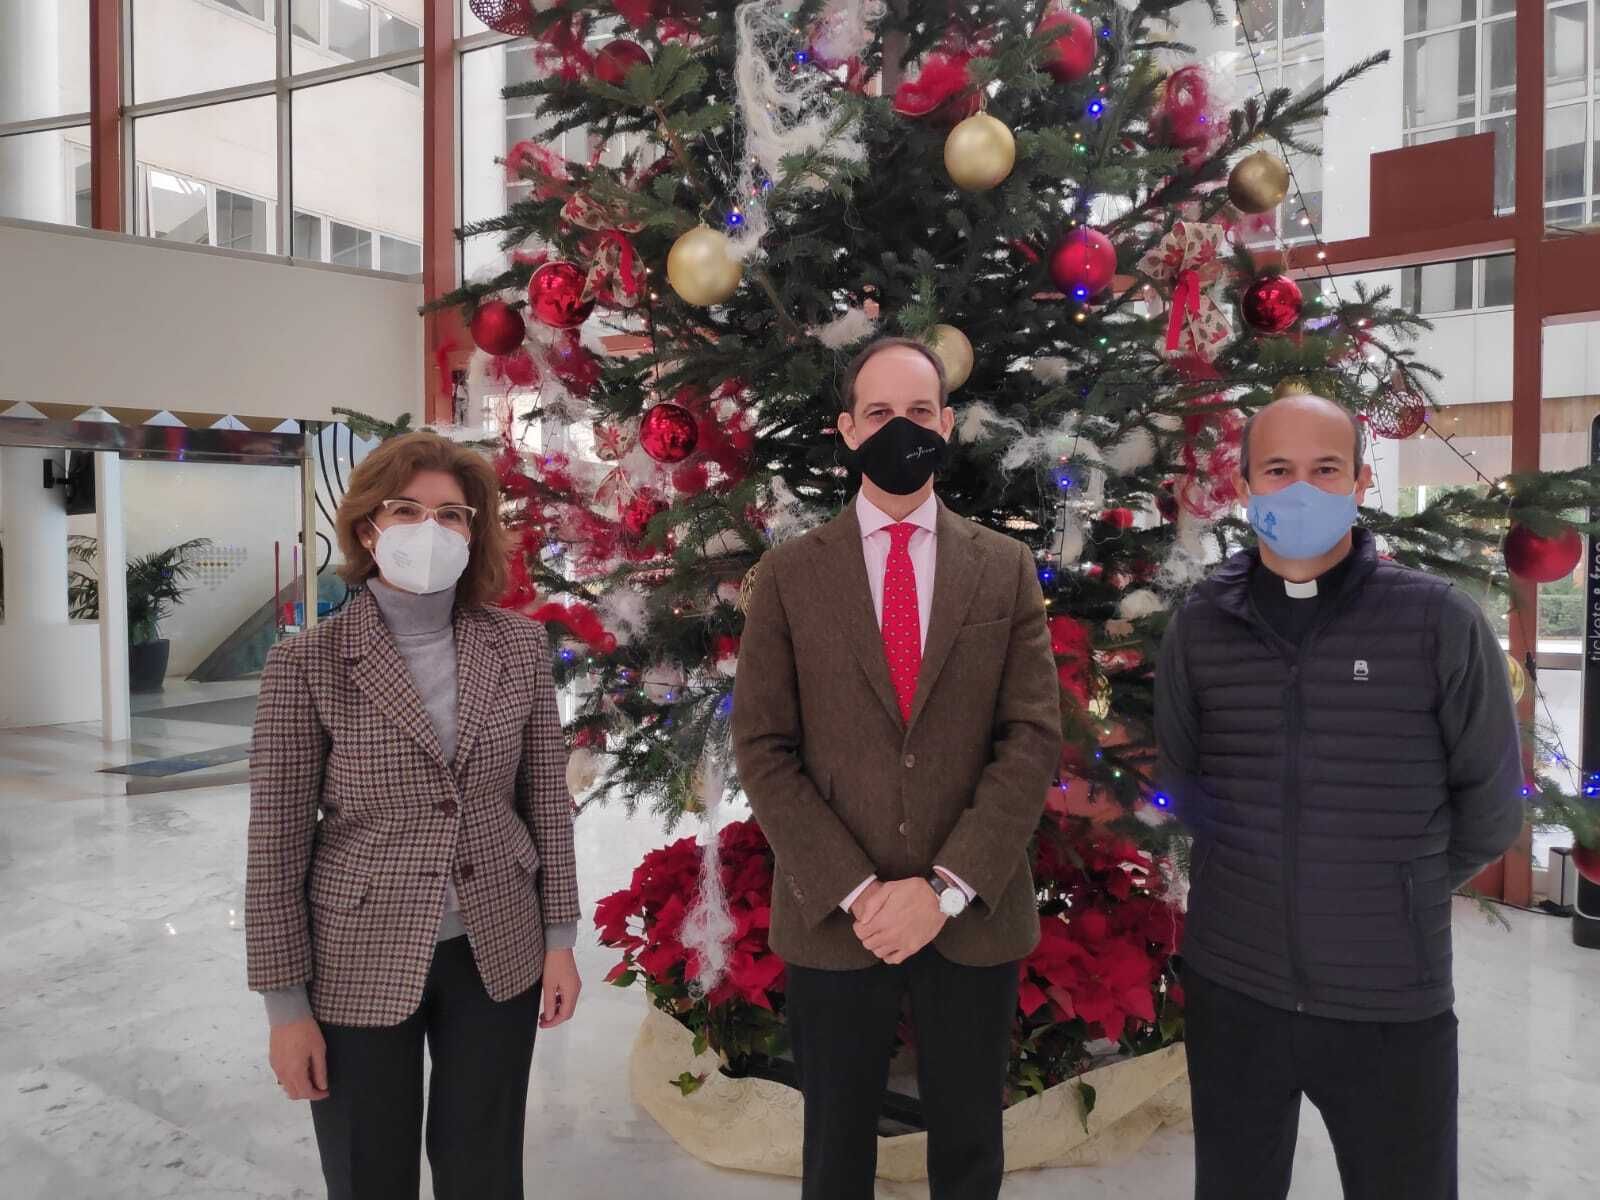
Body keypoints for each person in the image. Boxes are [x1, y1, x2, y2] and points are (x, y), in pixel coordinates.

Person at [1155, 389, 1524, 1200]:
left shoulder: (1438, 624)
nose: (1300, 490)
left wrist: (1396, 889)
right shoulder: (1201, 625)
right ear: (1245, 486)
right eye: (1278, 470)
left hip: (1389, 1001)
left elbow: (1492, 809)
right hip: (1234, 988)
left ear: (1361, 482)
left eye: (1325, 470)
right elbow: (1182, 784)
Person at [731, 337, 1062, 1200]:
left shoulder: (1005, 566)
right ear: (847, 430)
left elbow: (1029, 737)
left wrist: (945, 886)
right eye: (879, 413)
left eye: (919, 412)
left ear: (946, 425)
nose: (900, 429)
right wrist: (858, 891)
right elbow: (764, 747)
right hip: (839, 918)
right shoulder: (792, 576)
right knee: (835, 1152)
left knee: (968, 1153)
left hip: (971, 912)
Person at [245, 431, 582, 1200]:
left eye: (453, 515)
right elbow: (274, 851)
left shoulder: (519, 647)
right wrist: (284, 1009)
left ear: (474, 533)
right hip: (357, 955)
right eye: (407, 510)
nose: (430, 530)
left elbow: (545, 805)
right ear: (369, 527)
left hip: (498, 946)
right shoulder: (307, 665)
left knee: (484, 1169)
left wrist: (559, 939)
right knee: (370, 1173)